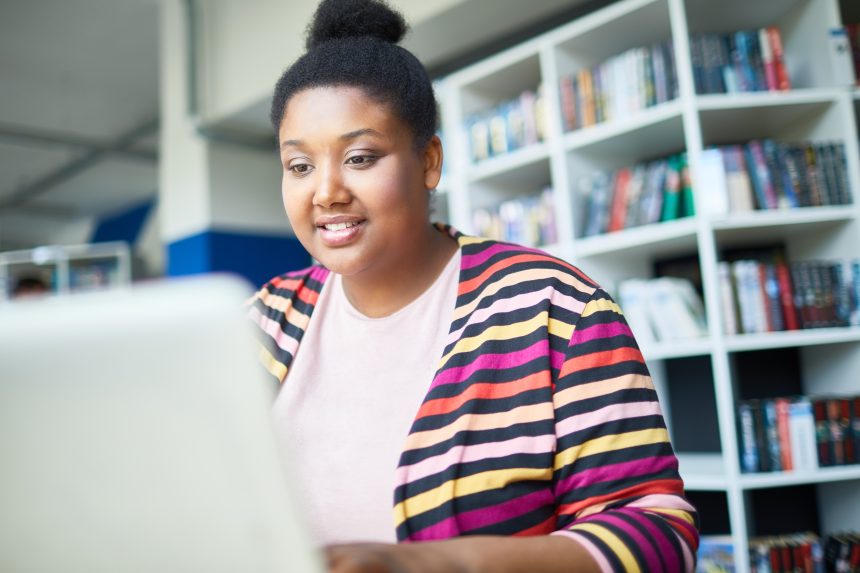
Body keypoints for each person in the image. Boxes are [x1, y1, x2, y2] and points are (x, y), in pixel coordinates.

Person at [248, 0, 699, 571]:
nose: (326, 192)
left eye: (360, 157)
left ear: (429, 160)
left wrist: (440, 565)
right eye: (299, 166)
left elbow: (658, 535)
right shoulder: (263, 320)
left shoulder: (554, 307)